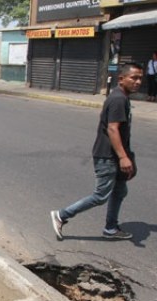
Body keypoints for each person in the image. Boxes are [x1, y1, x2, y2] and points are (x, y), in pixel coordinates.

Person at [50, 62, 142, 241]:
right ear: (121, 79)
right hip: (108, 156)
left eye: (140, 78)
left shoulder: (122, 97)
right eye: (134, 78)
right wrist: (123, 157)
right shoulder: (118, 99)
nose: (138, 82)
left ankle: (110, 228)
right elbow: (113, 129)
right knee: (101, 195)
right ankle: (62, 215)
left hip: (115, 155)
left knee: (119, 191)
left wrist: (128, 157)